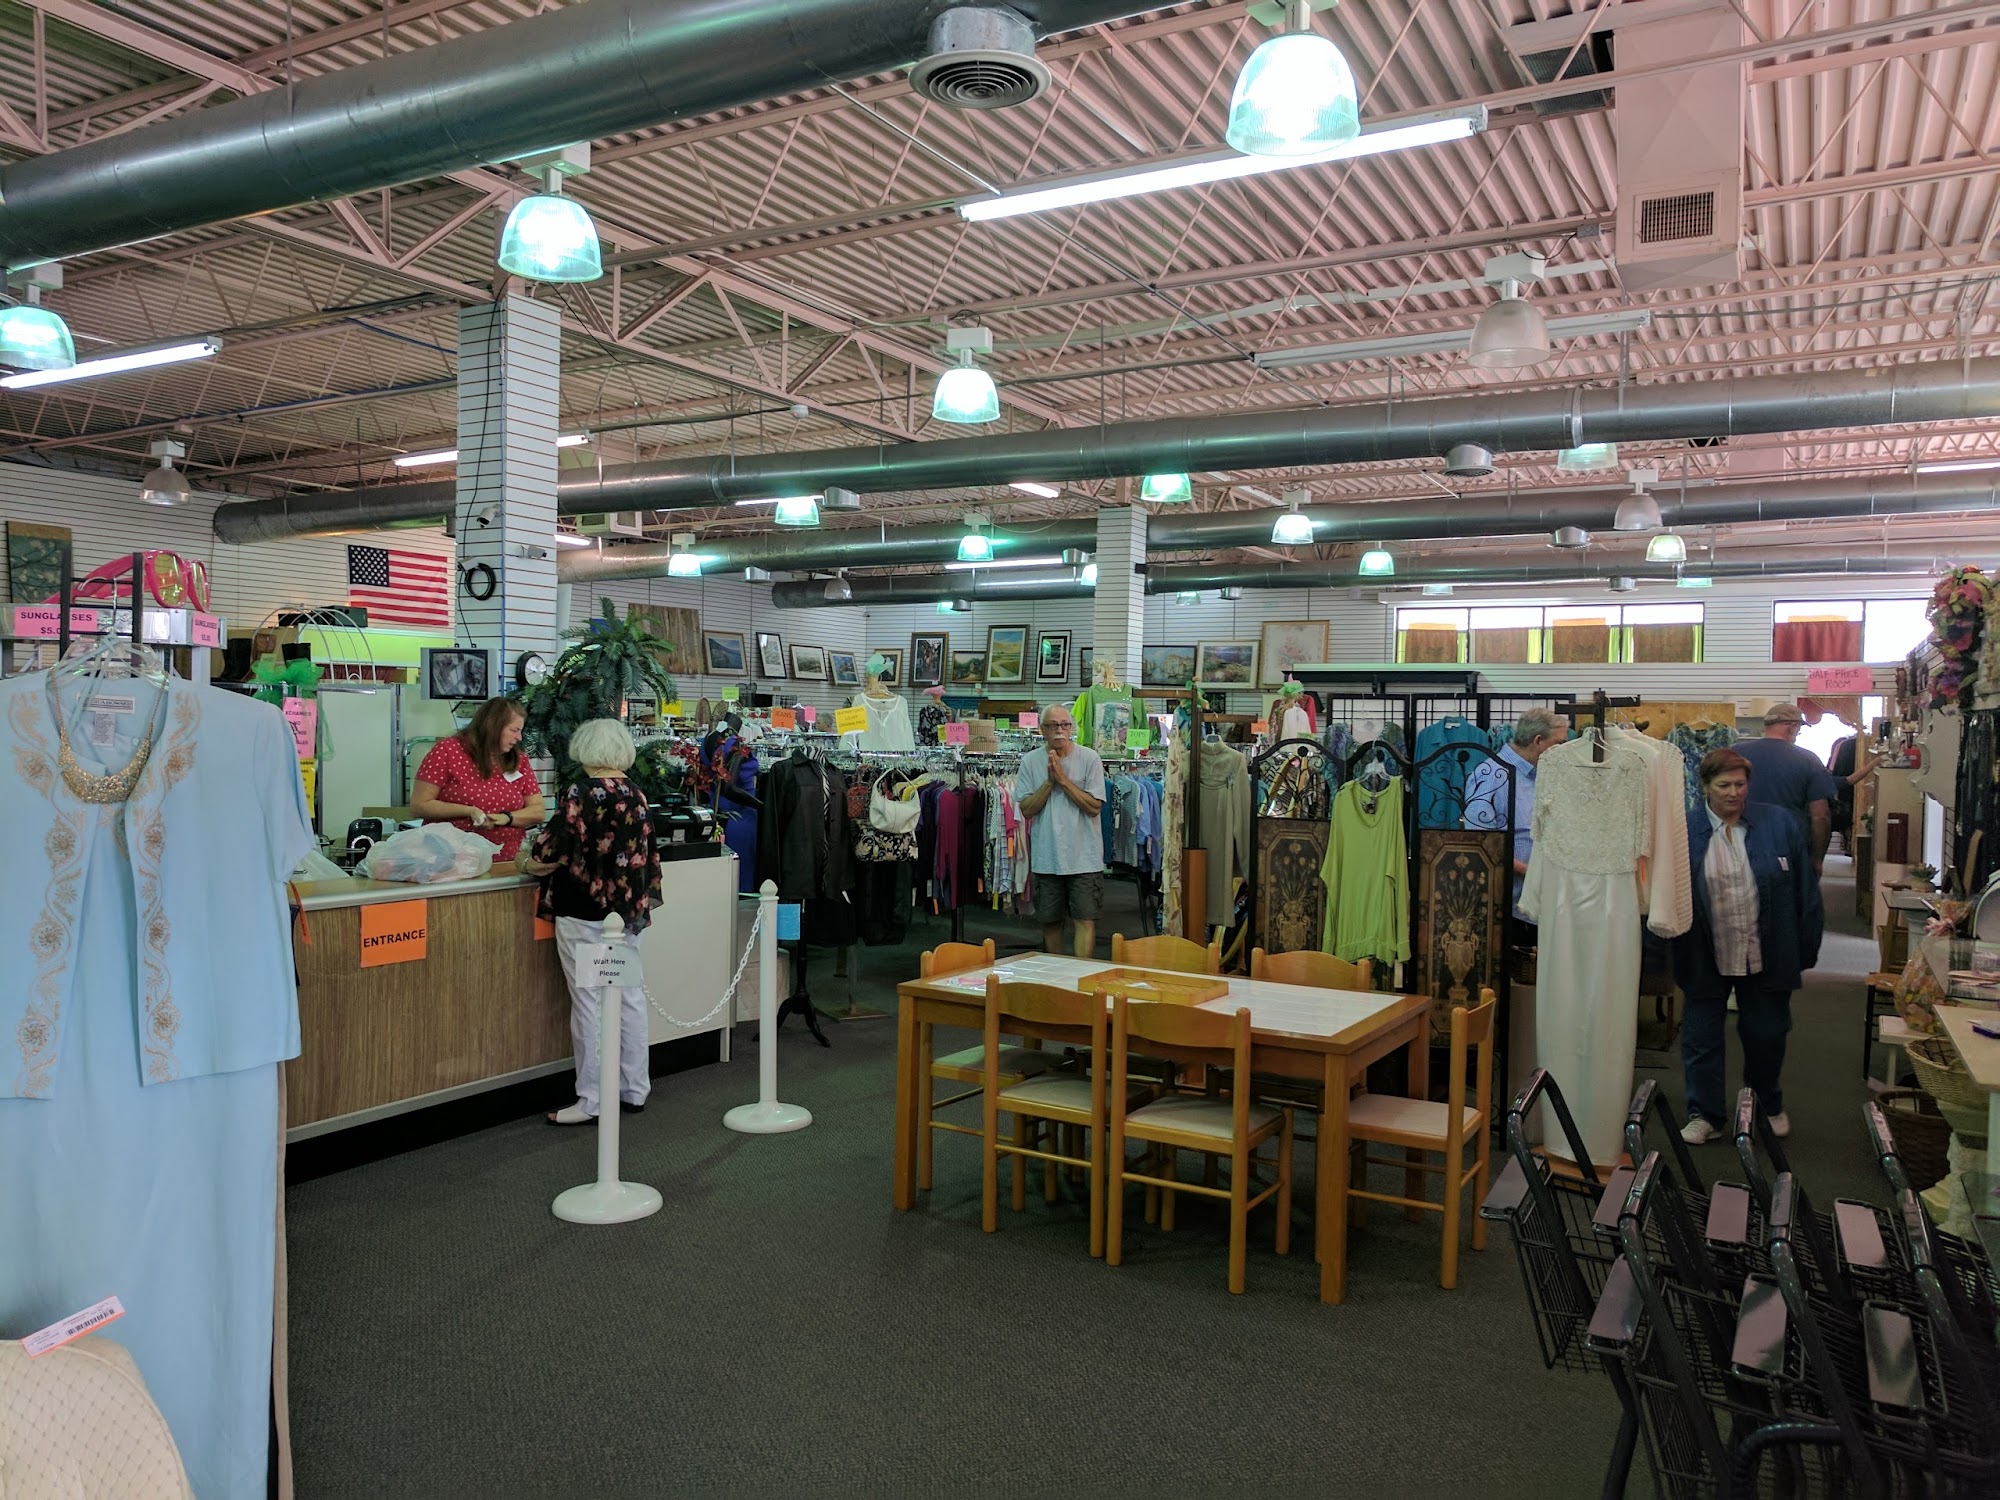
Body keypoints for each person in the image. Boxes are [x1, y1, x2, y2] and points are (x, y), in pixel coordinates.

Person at [1673, 747, 1823, 1144]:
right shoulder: (1684, 830)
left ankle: (1765, 1103)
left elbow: (1805, 889)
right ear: (1705, 786)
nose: (1733, 793)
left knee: (1767, 1034)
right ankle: (1704, 1114)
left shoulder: (1779, 823)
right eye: (1724, 785)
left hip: (1767, 949)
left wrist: (1806, 946)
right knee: (1701, 1037)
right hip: (1705, 950)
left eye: (1740, 784)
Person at [518, 719, 663, 1125]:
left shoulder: (579, 793)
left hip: (583, 911)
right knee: (628, 998)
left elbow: (550, 850)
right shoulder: (635, 793)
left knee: (589, 1004)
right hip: (627, 913)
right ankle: (634, 1088)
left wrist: (525, 862)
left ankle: (592, 1099)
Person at [1462, 706, 1570, 930]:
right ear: (1538, 741)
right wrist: (1531, 872)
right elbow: (1480, 843)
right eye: (1559, 743)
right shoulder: (1491, 776)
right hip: (1510, 910)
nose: (1564, 750)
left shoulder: (1546, 775)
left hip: (1549, 903)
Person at [1015, 701, 1106, 957]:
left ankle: (1081, 975)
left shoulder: (1090, 758)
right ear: (1042, 729)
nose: (1060, 730)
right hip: (1047, 859)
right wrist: (1049, 782)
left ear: (1071, 728)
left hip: (1084, 858)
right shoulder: (1030, 761)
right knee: (1050, 922)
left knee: (1085, 920)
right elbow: (1026, 809)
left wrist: (1064, 780)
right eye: (1053, 725)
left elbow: (1094, 807)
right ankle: (1055, 976)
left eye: (1065, 725)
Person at [410, 696, 546, 861]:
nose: (519, 738)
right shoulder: (448, 751)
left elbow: (537, 810)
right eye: (514, 730)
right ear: (494, 726)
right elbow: (420, 805)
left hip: (507, 859)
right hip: (450, 859)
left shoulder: (519, 760)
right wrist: (469, 811)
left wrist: (505, 818)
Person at [1733, 703, 1840, 871]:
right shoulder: (1808, 760)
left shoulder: (1734, 754)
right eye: (1799, 729)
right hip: (1788, 850)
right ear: (1792, 727)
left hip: (1739, 846)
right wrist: (1817, 860)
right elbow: (1821, 816)